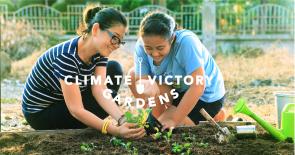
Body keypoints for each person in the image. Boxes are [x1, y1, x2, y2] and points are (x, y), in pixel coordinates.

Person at [22, 5, 145, 139]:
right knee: (110, 99)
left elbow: (99, 89)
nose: (116, 46)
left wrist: (122, 120)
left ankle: (91, 121)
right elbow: (76, 110)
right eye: (114, 38)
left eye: (120, 42)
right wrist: (113, 130)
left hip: (63, 99)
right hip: (41, 113)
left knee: (113, 69)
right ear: (96, 29)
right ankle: (90, 122)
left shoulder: (99, 52)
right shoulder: (67, 57)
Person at [128, 12, 226, 131]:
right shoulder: (141, 45)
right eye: (148, 48)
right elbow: (140, 80)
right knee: (133, 75)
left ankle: (214, 115)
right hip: (177, 88)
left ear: (172, 39)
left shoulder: (186, 42)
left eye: (160, 48)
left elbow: (198, 85)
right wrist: (145, 84)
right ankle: (157, 117)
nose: (154, 53)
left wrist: (174, 120)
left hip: (204, 95)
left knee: (165, 128)